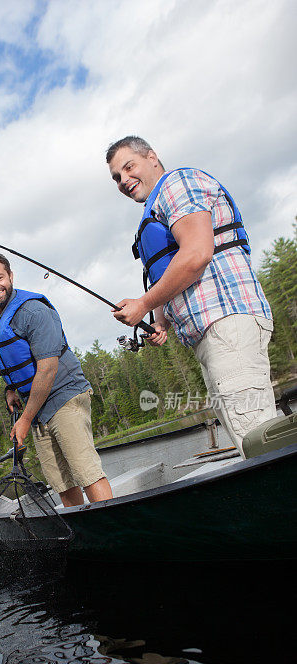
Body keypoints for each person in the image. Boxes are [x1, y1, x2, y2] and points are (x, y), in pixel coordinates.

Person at [106, 135, 276, 455]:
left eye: (129, 167)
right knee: (250, 442)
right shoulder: (158, 205)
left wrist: (143, 303)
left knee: (258, 440)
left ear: (152, 157)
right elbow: (172, 269)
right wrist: (160, 320)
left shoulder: (177, 184)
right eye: (116, 177)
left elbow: (196, 254)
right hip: (211, 333)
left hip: (226, 321)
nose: (124, 180)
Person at [0, 253, 112, 507]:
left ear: (11, 276)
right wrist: (11, 388)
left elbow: (48, 369)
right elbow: (13, 359)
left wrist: (25, 419)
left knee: (86, 472)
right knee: (61, 481)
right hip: (36, 407)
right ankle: (83, 532)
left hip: (64, 395)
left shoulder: (33, 311)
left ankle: (114, 525)